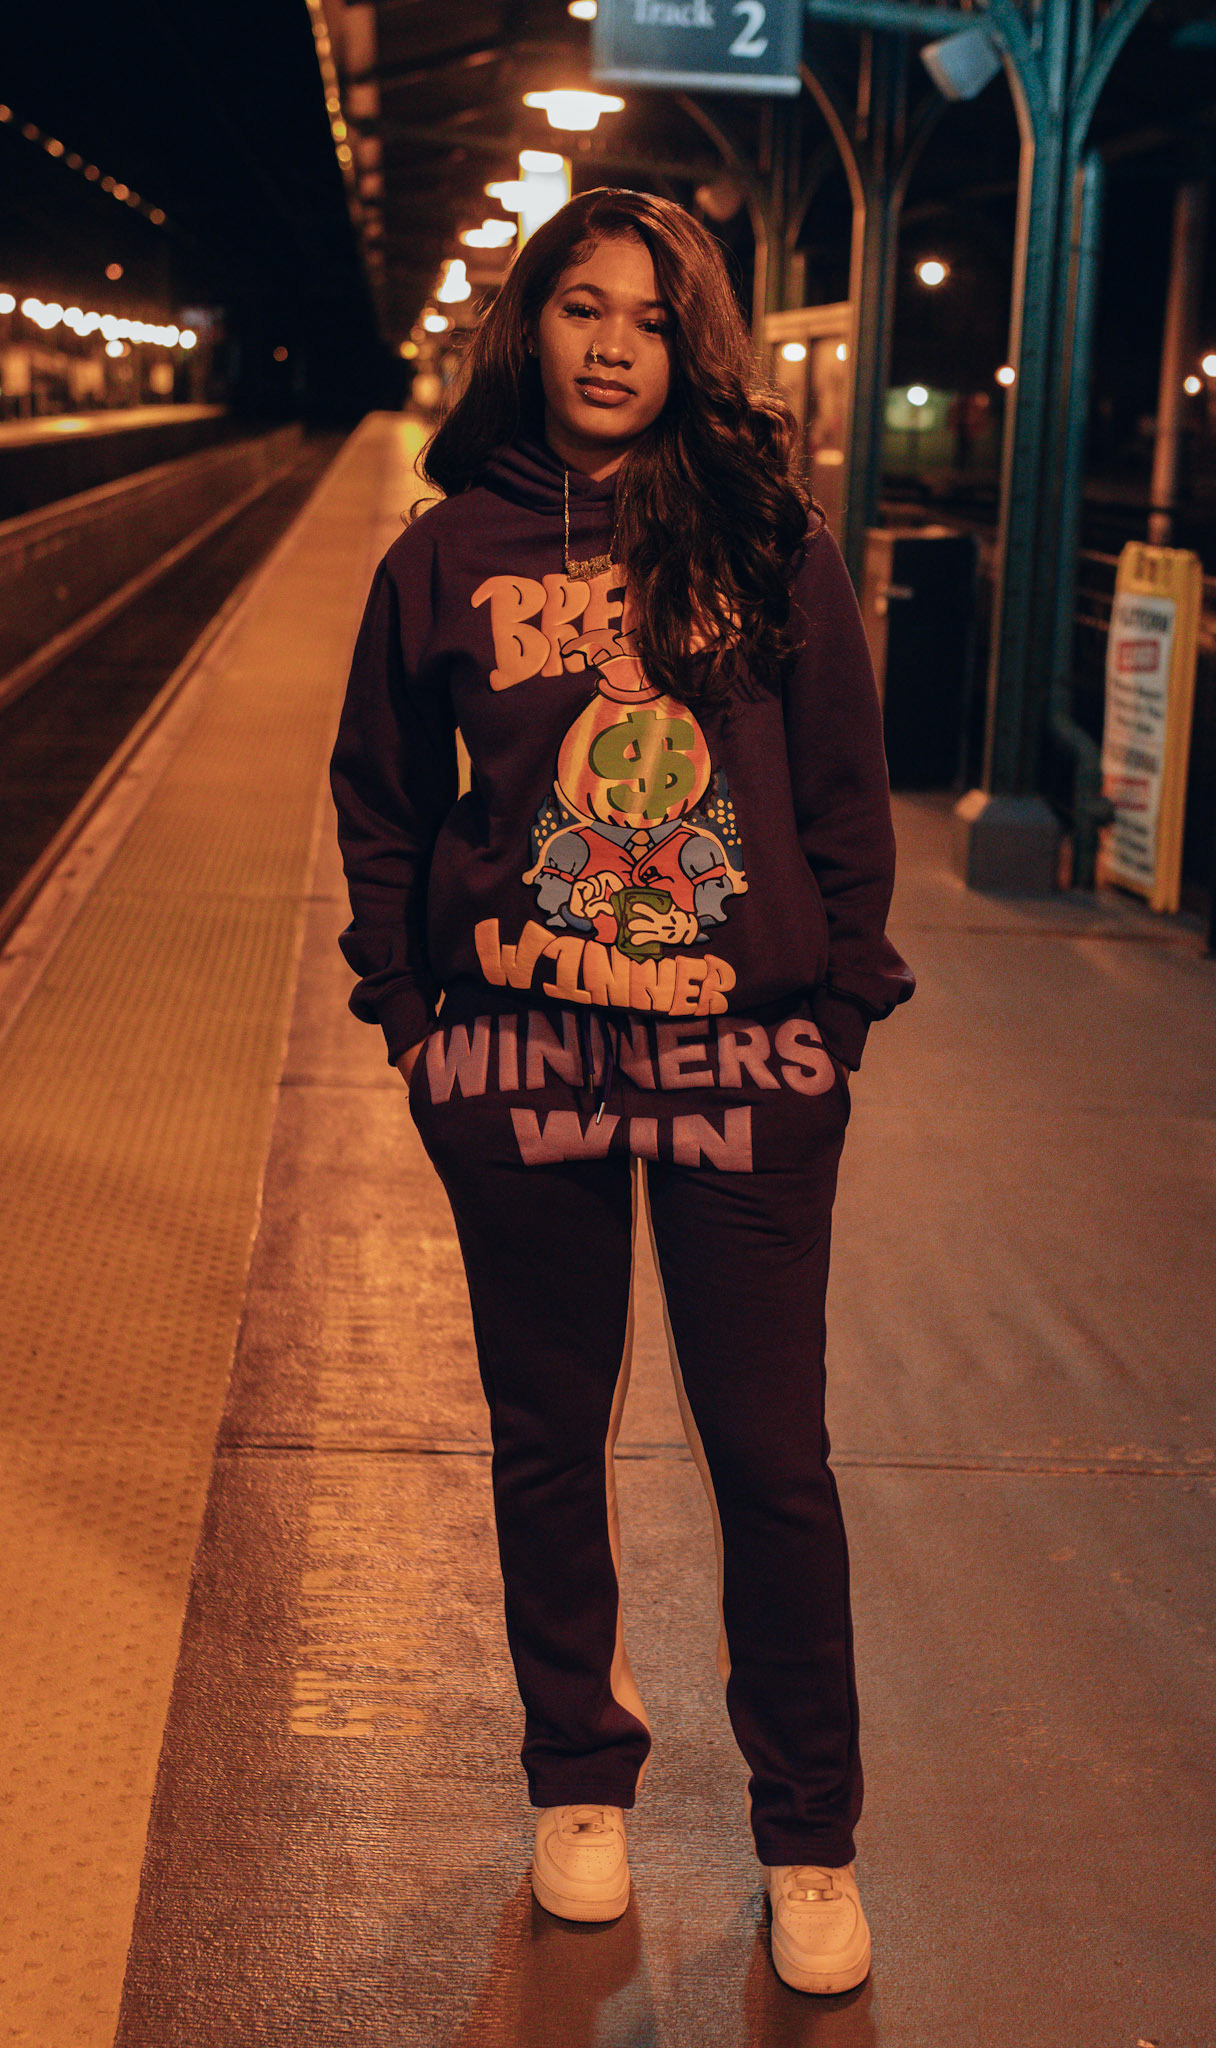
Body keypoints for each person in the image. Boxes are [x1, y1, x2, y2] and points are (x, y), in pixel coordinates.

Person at [329, 186, 913, 1998]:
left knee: (770, 1457)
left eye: (651, 320)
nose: (612, 346)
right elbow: (380, 794)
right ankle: (578, 1780)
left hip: (743, 1054)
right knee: (546, 1432)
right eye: (583, 307)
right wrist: (410, 1017)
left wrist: (841, 1010)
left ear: (692, 347)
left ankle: (806, 1836)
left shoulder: (767, 539)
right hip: (520, 1050)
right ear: (532, 326)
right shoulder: (443, 554)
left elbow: (842, 785)